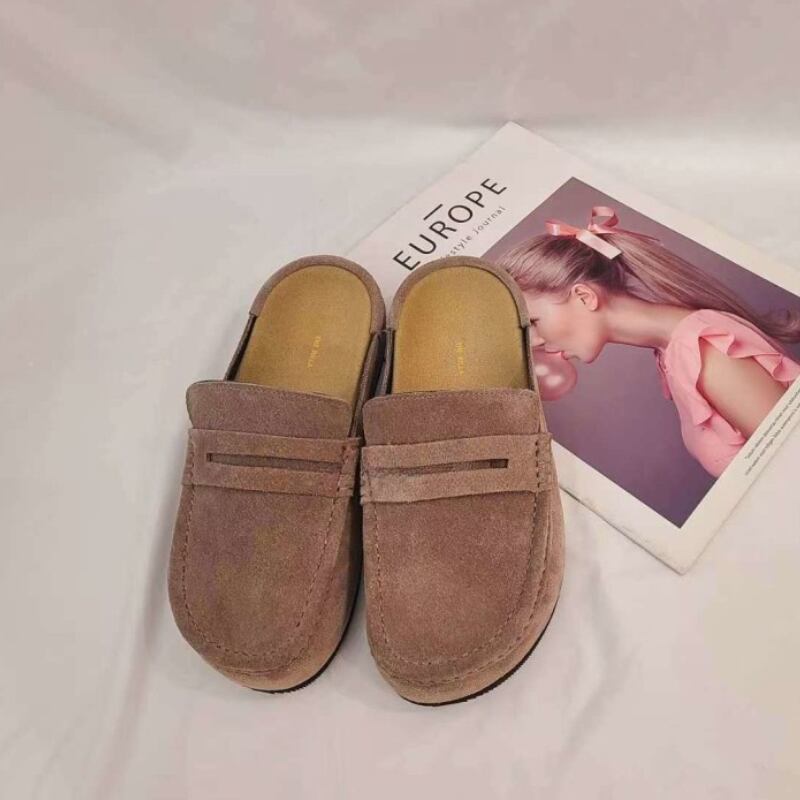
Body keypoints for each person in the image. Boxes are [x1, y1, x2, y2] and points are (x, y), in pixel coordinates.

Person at [497, 206, 800, 477]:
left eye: (534, 322)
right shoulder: (672, 353)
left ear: (584, 297)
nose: (534, 343)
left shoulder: (704, 349)